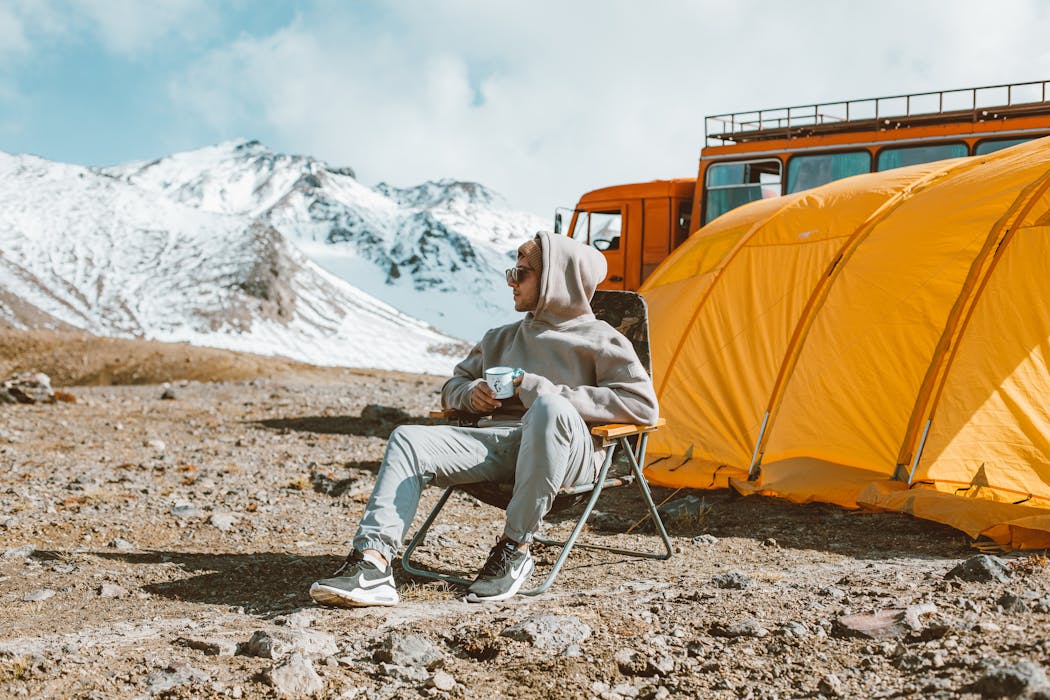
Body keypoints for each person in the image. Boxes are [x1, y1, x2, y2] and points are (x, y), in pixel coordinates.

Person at [309, 230, 659, 606]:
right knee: (408, 438)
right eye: (511, 271)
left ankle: (516, 548)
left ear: (555, 279)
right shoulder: (500, 337)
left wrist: (543, 390)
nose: (510, 281)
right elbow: (452, 386)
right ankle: (373, 563)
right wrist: (470, 395)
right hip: (499, 447)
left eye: (521, 273)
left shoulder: (602, 339)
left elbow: (642, 406)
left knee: (548, 408)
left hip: (569, 456)